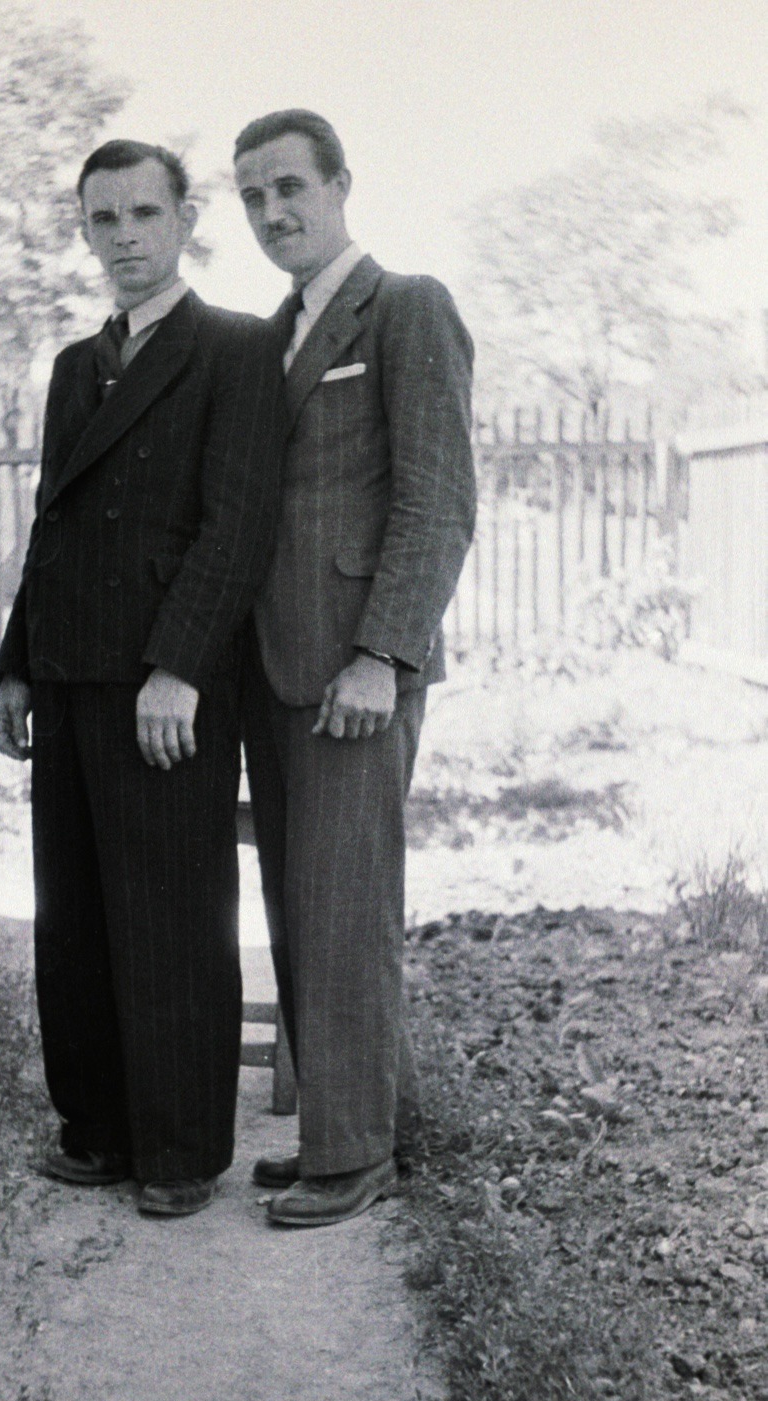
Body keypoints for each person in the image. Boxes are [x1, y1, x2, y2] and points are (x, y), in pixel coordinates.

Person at [0, 140, 281, 1218]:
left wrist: (178, 671)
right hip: (68, 672)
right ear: (84, 230)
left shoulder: (236, 349)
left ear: (184, 220)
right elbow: (53, 525)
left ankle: (179, 1148)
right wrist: (17, 665)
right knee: (72, 915)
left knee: (171, 916)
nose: (124, 238)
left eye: (143, 214)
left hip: (163, 686)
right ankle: (99, 1130)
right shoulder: (77, 365)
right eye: (103, 219)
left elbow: (236, 527)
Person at [233, 110, 476, 1226]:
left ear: (339, 185)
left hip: (356, 672)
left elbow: (438, 501)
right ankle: (353, 1121)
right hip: (275, 667)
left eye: (290, 186)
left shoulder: (407, 307)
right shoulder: (272, 333)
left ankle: (352, 1156)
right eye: (253, 196)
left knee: (345, 906)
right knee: (300, 906)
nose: (273, 211)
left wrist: (383, 653)